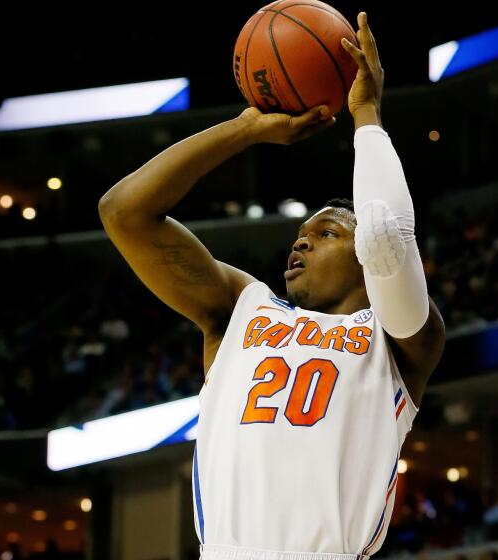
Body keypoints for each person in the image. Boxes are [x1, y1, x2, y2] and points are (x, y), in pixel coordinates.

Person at [98, 11, 445, 560]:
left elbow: (384, 235)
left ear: (360, 260)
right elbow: (123, 212)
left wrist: (366, 114)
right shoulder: (242, 308)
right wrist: (247, 129)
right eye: (300, 235)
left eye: (325, 232)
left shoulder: (401, 338)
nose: (300, 243)